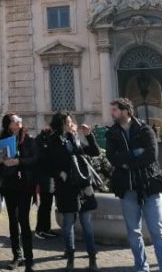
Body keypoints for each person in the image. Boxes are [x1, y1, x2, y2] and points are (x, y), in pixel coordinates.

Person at [106, 98, 162, 272]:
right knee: (134, 232)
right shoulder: (112, 132)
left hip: (149, 185)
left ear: (126, 111)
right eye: (112, 110)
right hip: (127, 188)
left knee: (157, 231)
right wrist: (135, 153)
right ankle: (141, 267)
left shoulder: (145, 129)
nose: (112, 113)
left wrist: (127, 161)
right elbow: (112, 158)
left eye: (115, 110)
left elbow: (151, 155)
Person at [48, 112, 100, 272]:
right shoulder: (54, 141)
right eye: (68, 122)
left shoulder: (75, 139)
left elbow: (94, 152)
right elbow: (51, 162)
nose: (71, 124)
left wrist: (88, 135)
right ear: (61, 124)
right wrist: (59, 173)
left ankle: (92, 259)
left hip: (82, 187)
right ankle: (70, 258)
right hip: (66, 188)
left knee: (86, 224)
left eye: (71, 122)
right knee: (68, 223)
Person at [0, 114, 38, 272]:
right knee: (12, 221)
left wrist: (19, 161)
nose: (19, 122)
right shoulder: (1, 142)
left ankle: (29, 257)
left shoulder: (29, 140)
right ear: (9, 125)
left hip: (25, 186)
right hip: (9, 186)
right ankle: (16, 255)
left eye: (19, 120)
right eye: (15, 120)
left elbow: (35, 159)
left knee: (24, 220)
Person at [34, 124, 57, 239]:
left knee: (47, 204)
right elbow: (42, 159)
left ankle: (45, 228)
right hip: (45, 177)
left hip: (48, 176)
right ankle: (41, 229)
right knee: (45, 204)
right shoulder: (42, 140)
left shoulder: (45, 139)